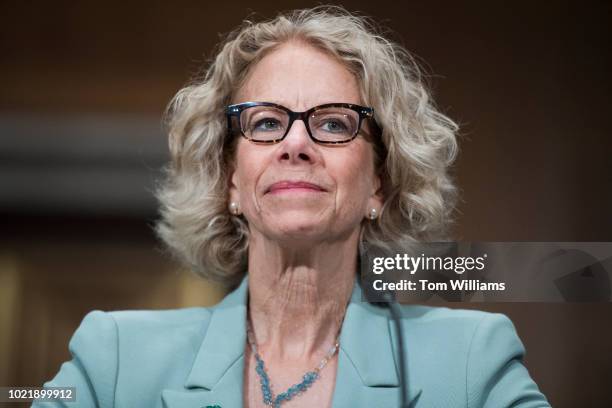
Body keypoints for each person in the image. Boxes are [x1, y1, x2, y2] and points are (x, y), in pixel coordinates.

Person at [34, 6, 550, 408]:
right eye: (264, 123)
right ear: (231, 178)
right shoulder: (116, 359)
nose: (295, 144)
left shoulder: (470, 362)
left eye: (332, 123)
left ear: (379, 181)